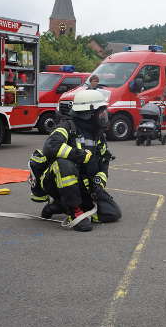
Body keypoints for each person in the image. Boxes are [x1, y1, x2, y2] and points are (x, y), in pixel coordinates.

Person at [29, 90, 121, 232]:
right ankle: (74, 211)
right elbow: (50, 147)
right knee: (65, 164)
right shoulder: (67, 127)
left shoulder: (98, 134)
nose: (104, 116)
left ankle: (60, 206)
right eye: (101, 112)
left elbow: (104, 161)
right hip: (55, 180)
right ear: (88, 113)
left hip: (82, 184)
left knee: (112, 213)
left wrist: (98, 182)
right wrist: (80, 155)